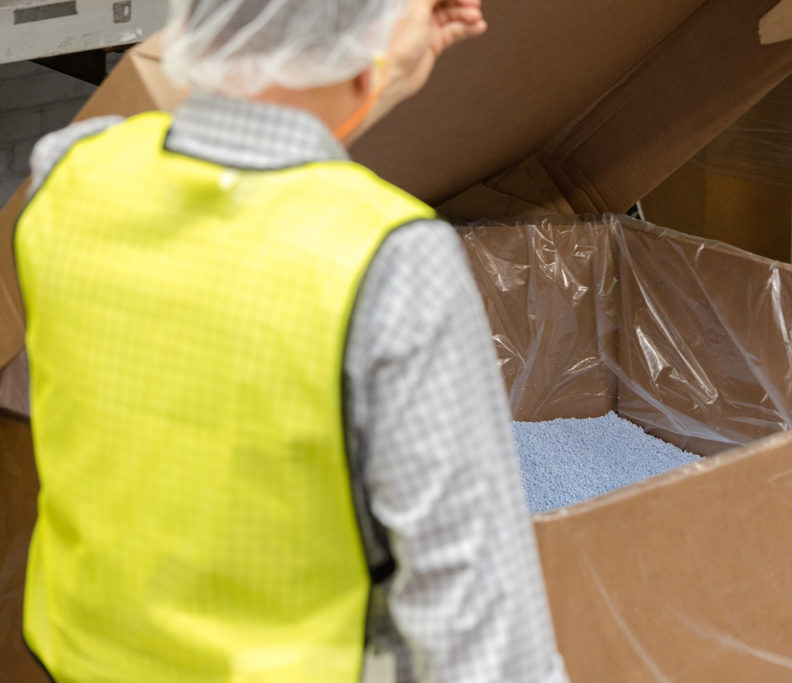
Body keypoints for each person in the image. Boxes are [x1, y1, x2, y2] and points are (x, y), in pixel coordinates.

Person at [15, 1, 568, 681]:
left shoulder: (67, 169)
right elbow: (479, 635)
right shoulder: (390, 258)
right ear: (362, 64)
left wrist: (378, 61)